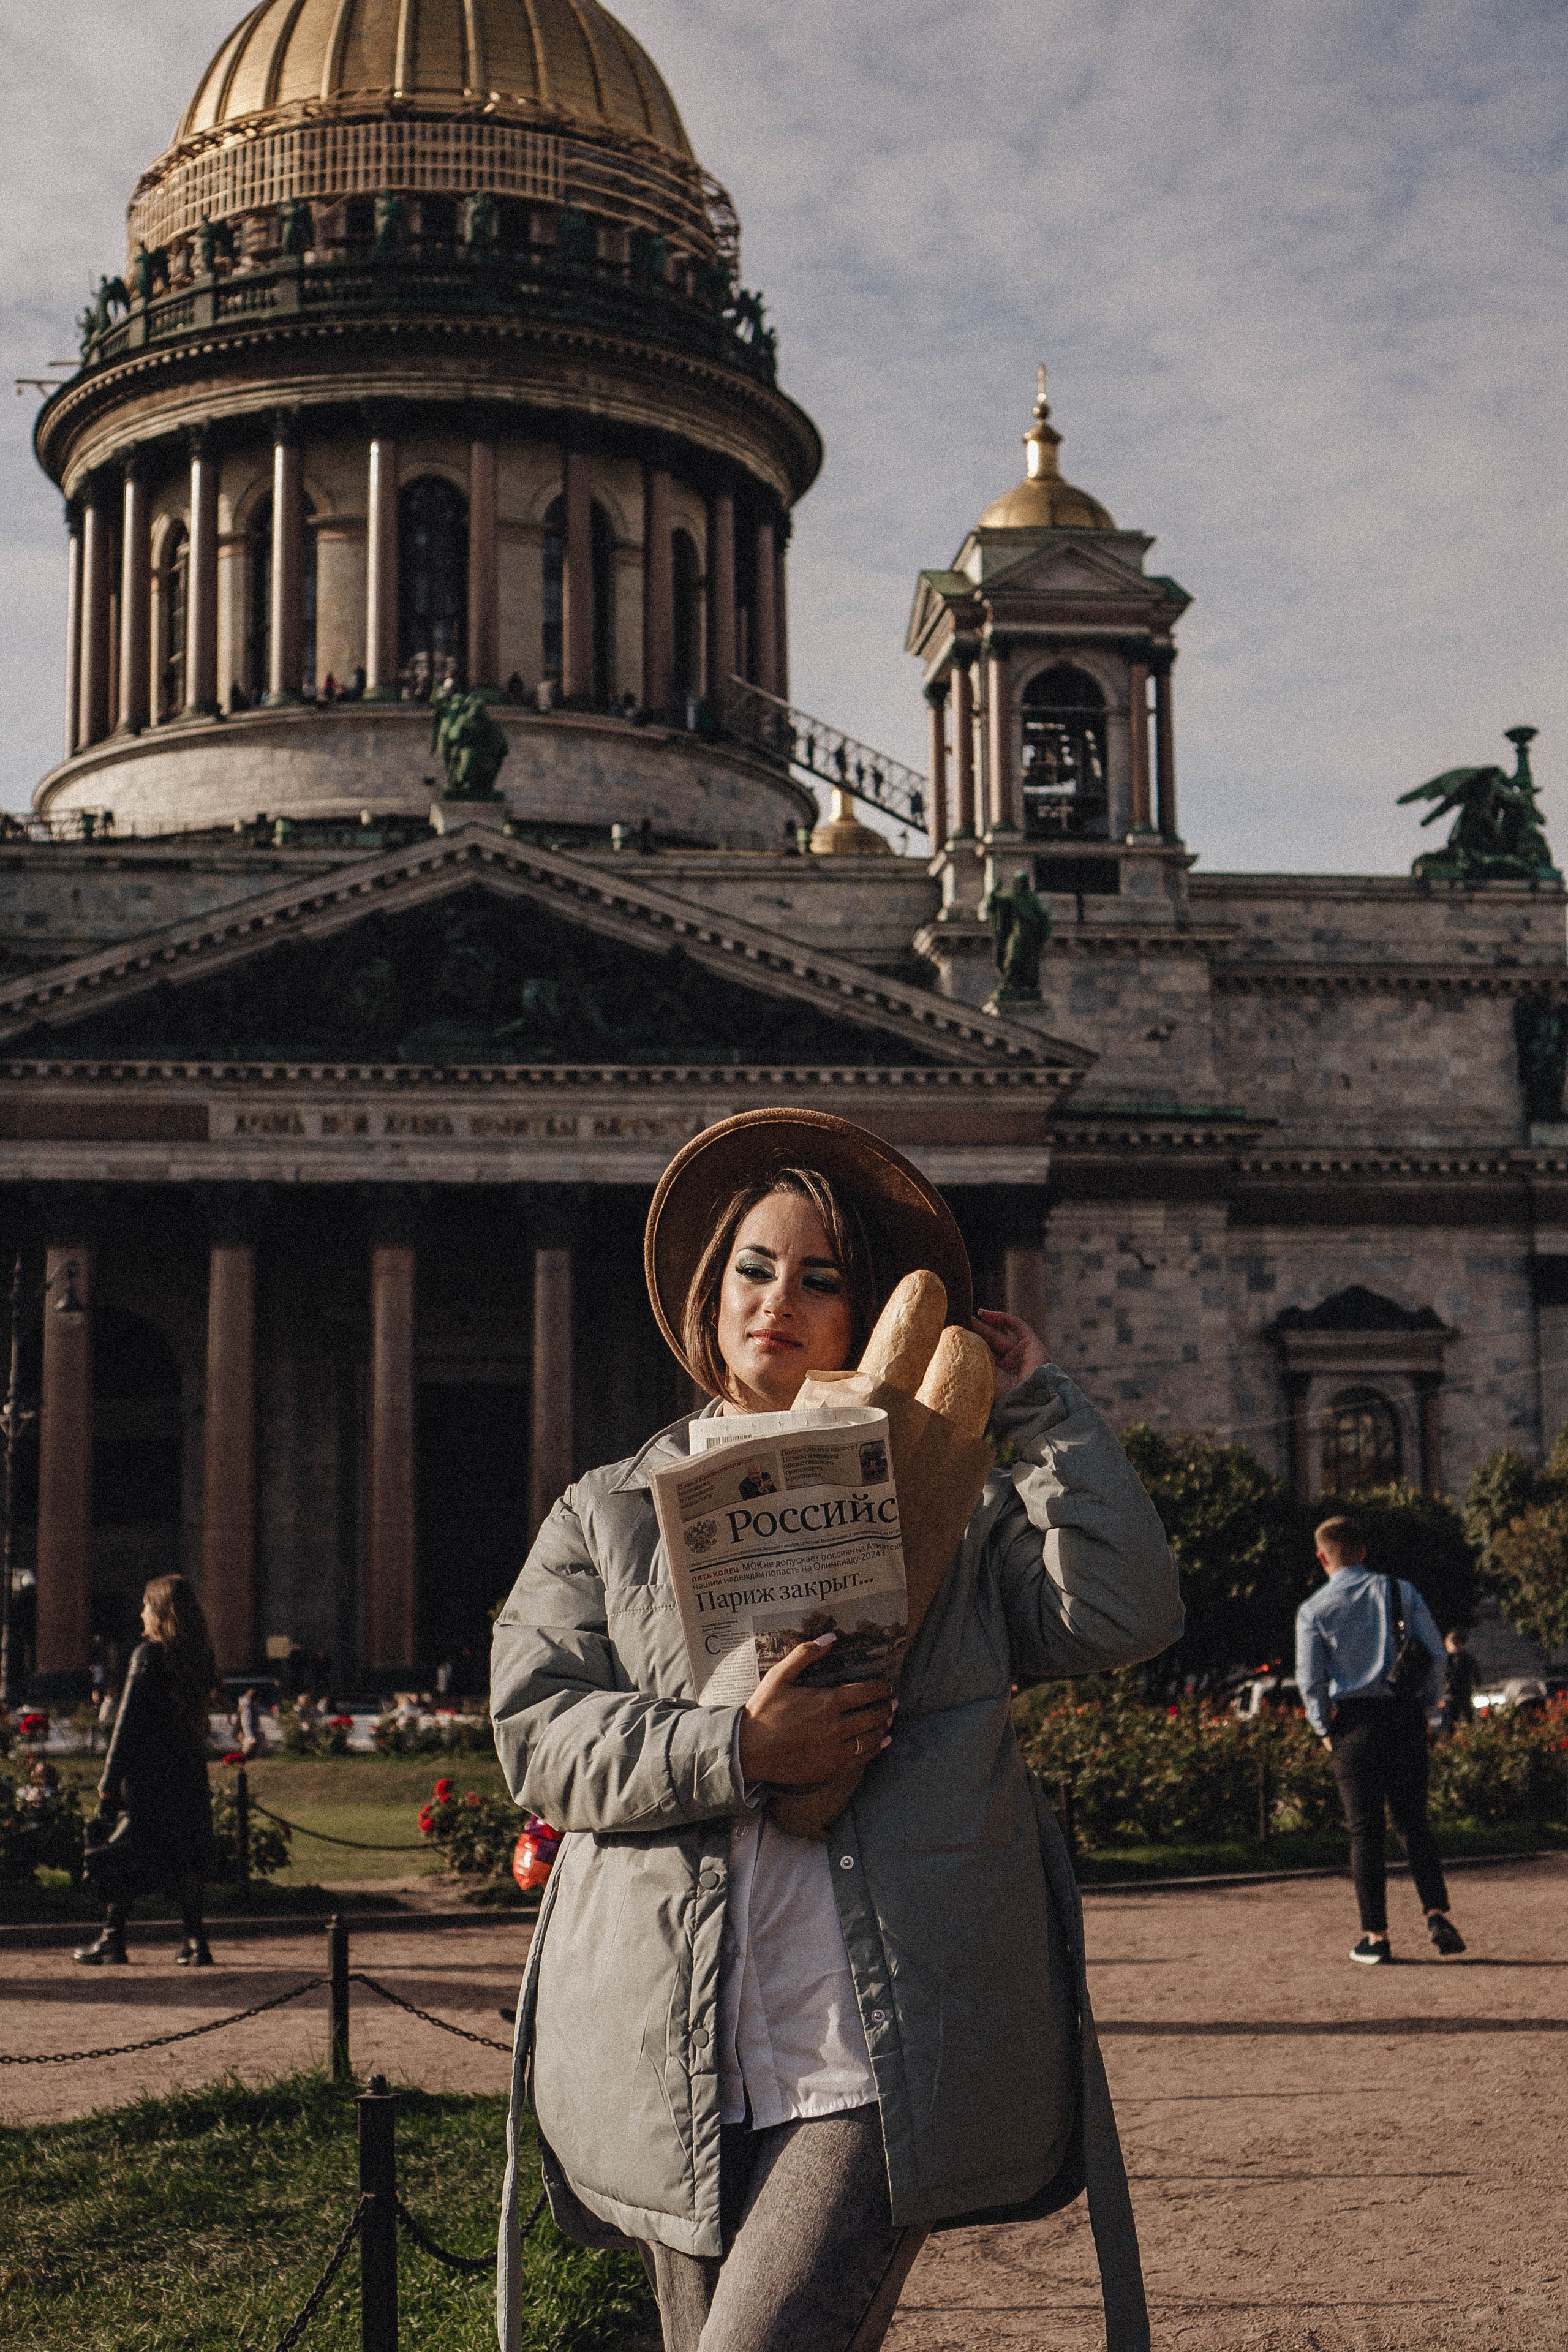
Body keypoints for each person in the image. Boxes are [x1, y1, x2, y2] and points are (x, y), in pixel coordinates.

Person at [492, 1107, 1182, 2352]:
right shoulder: (605, 1513)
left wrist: (1040, 1410)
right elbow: (539, 1736)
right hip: (672, 2047)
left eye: (820, 1279)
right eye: (754, 1268)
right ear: (709, 1296)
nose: (779, 1300)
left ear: (861, 1318)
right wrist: (738, 1752)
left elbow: (1123, 1614)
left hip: (873, 2041)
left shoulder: (958, 1516)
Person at [1295, 1515, 1465, 1964]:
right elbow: (1436, 1656)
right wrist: (1424, 1707)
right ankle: (1435, 1913)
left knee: (1365, 1833)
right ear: (1363, 1551)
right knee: (1414, 1823)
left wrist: (1324, 1728)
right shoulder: (1400, 1591)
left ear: (1322, 1558)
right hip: (1403, 1716)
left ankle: (1376, 1936)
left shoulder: (1313, 1610)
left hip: (1353, 1725)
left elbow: (1311, 1681)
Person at [75, 1574, 218, 1968]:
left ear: (159, 1612)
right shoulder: (198, 1656)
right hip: (188, 1774)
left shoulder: (147, 1655)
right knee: (186, 1857)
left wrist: (108, 1781)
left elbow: (127, 1724)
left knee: (124, 1854)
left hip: (148, 1776)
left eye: (145, 1605)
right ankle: (196, 1942)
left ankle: (113, 1939)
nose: (141, 1612)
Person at [1440, 1627, 1479, 1735]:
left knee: (1451, 1725)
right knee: (1468, 1720)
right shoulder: (1468, 1657)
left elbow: (1444, 1676)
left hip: (1452, 1695)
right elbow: (1476, 1675)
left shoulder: (1447, 1659)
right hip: (1464, 1693)